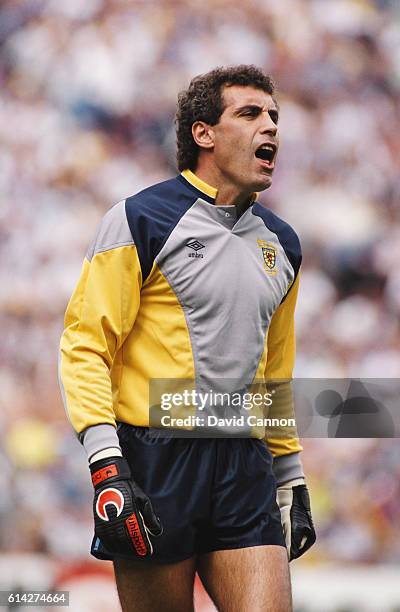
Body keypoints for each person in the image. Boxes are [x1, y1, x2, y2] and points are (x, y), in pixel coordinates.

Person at [59, 64, 316, 612]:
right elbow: (85, 346)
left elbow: (275, 373)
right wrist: (106, 464)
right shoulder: (139, 219)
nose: (269, 127)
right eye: (249, 114)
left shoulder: (284, 245)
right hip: (153, 461)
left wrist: (289, 475)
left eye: (273, 116)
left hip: (244, 463)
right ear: (203, 134)